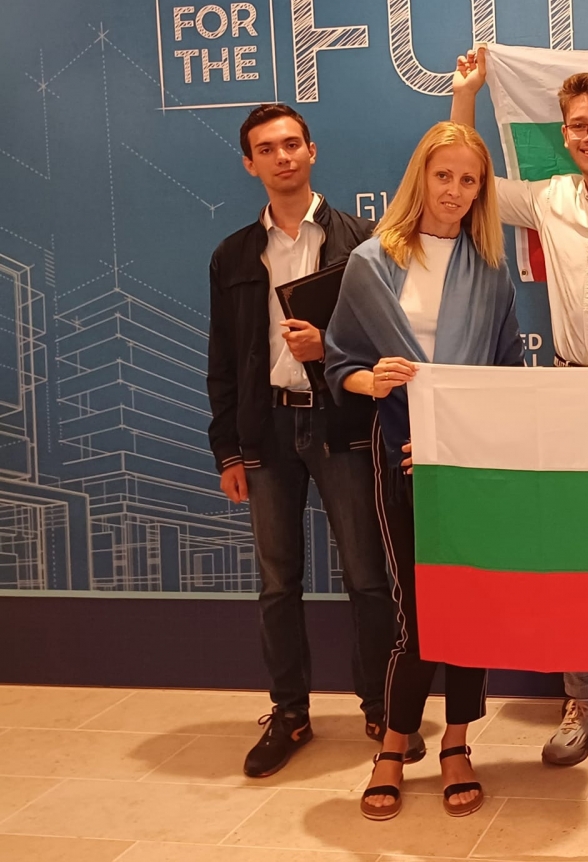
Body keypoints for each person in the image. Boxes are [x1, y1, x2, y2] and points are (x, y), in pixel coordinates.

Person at [451, 61, 588, 764]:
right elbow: (467, 178)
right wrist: (465, 97)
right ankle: (584, 699)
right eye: (579, 125)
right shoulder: (550, 199)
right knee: (575, 557)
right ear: (565, 133)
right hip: (572, 388)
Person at [325, 121, 523, 820]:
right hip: (398, 456)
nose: (455, 191)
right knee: (416, 611)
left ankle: (458, 744)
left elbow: (507, 374)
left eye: (469, 180)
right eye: (445, 176)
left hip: (467, 464)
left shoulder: (491, 268)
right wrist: (372, 382)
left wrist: (461, 440)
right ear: (421, 177)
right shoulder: (371, 262)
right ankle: (393, 745)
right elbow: (341, 363)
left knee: (467, 607)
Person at [207, 104, 397, 778]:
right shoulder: (233, 254)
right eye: (267, 148)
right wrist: (228, 450)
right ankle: (289, 714)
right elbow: (224, 360)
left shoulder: (364, 241)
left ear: (312, 151)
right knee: (277, 583)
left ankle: (383, 709)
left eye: (292, 143)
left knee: (368, 578)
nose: (282, 156)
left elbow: (390, 344)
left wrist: (329, 348)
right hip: (266, 431)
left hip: (344, 425)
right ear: (249, 164)